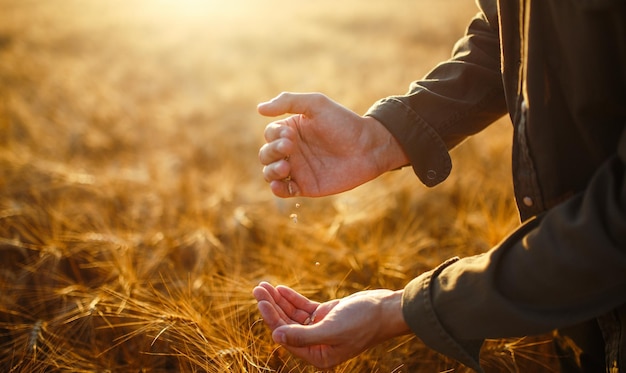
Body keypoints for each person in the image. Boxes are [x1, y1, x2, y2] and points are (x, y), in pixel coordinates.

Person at [252, 0, 626, 372]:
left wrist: (401, 310)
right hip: (585, 325)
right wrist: (380, 138)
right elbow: (510, 32)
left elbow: (614, 229)